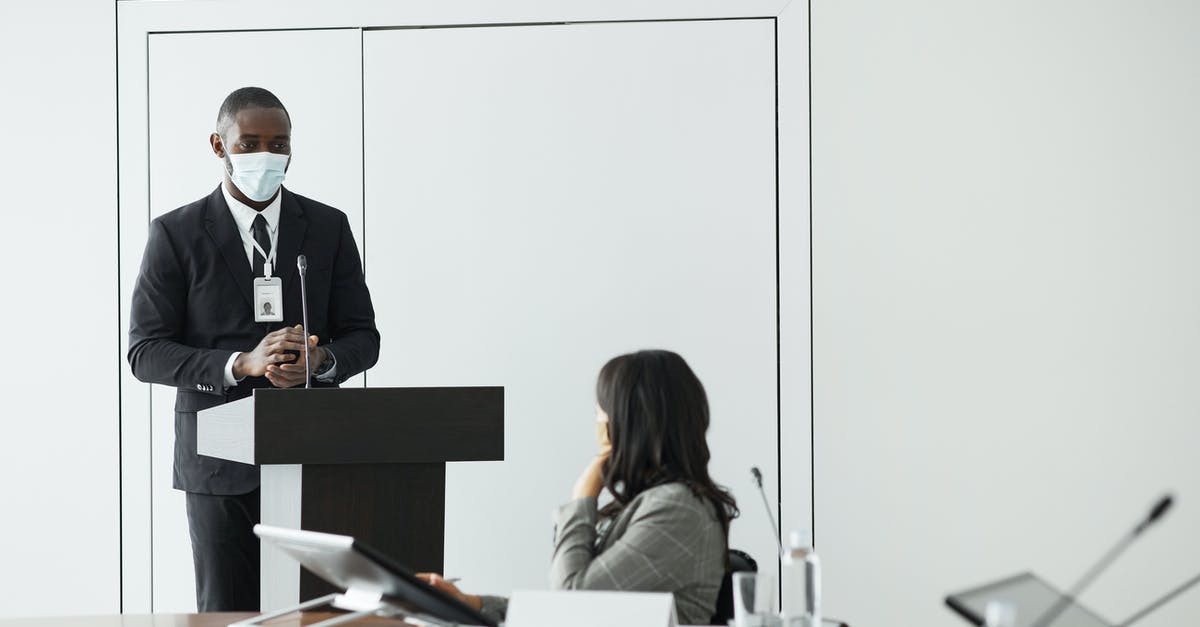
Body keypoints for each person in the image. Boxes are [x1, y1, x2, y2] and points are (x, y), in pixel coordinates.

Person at [128, 86, 380, 611]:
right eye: (249, 144)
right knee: (229, 614)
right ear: (219, 146)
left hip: (316, 459)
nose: (266, 156)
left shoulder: (329, 227)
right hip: (218, 468)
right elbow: (145, 351)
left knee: (320, 613)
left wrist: (322, 362)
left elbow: (364, 338)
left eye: (279, 143)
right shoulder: (175, 234)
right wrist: (240, 365)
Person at [421, 350, 738, 625]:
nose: (597, 419)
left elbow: (573, 601)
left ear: (631, 420)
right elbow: (571, 610)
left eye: (602, 409)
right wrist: (472, 604)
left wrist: (583, 496)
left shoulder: (677, 509)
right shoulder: (653, 502)